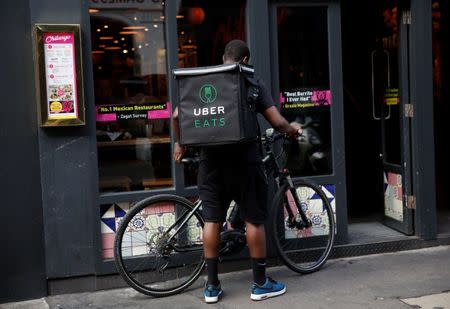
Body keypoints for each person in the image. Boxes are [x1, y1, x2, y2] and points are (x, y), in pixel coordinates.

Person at [172, 39, 302, 303]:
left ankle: (211, 287)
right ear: (245, 61)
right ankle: (260, 284)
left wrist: (180, 143)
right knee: (254, 220)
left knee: (212, 221)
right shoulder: (251, 82)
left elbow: (176, 116)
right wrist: (292, 129)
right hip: (244, 161)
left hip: (210, 164)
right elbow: (276, 121)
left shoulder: (200, 81)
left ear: (223, 58)